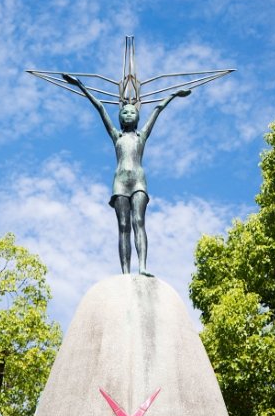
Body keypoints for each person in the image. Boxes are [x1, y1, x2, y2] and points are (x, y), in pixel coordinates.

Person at [62, 73, 190, 276]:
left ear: (137, 117)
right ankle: (125, 273)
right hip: (120, 183)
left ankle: (142, 266)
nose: (129, 114)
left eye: (132, 112)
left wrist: (174, 95)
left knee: (139, 222)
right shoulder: (116, 136)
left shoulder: (142, 136)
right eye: (125, 112)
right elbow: (100, 108)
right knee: (123, 226)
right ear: (120, 118)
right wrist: (80, 86)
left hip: (138, 181)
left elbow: (158, 109)